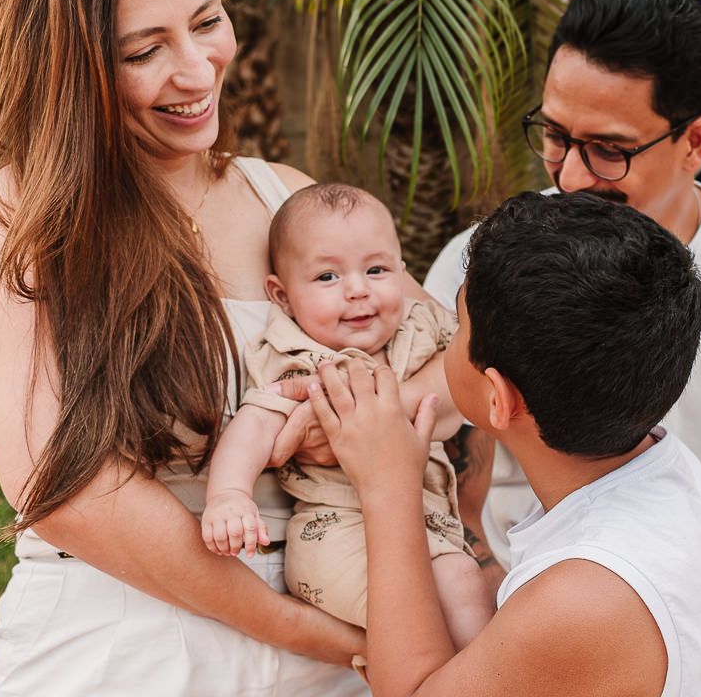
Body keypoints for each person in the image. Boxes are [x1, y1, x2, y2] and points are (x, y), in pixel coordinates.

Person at [0, 0, 444, 693]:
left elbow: (457, 355)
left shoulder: (286, 200)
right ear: (66, 63)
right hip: (133, 641)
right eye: (143, 50)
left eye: (207, 20)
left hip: (338, 613)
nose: (196, 71)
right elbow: (62, 489)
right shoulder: (35, 211)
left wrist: (369, 421)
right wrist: (302, 629)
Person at [424, 0, 701, 697]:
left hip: (689, 601)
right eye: (556, 136)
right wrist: (492, 589)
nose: (567, 175)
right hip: (518, 612)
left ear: (694, 142)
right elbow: (437, 471)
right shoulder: (485, 265)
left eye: (608, 149)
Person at [306, 191, 701, 696]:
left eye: (457, 326)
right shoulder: (665, 466)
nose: (445, 336)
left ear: (498, 398)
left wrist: (388, 487)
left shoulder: (586, 596)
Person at [200, 183, 492, 648]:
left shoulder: (419, 331)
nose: (358, 290)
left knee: (468, 597)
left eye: (376, 270)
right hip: (337, 535)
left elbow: (477, 361)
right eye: (327, 278)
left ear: (402, 271)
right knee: (454, 594)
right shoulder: (300, 359)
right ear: (281, 295)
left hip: (427, 528)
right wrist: (229, 495)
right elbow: (255, 424)